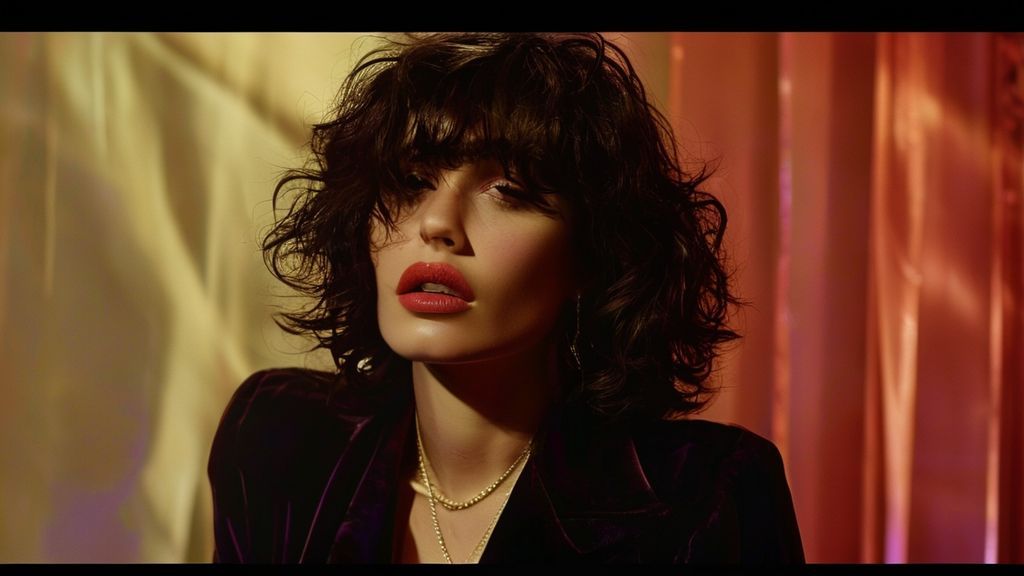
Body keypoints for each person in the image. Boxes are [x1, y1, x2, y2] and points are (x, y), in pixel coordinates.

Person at [207, 32, 804, 564]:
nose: (437, 223)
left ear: (593, 255)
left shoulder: (703, 498)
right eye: (411, 181)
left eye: (509, 190)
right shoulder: (278, 439)